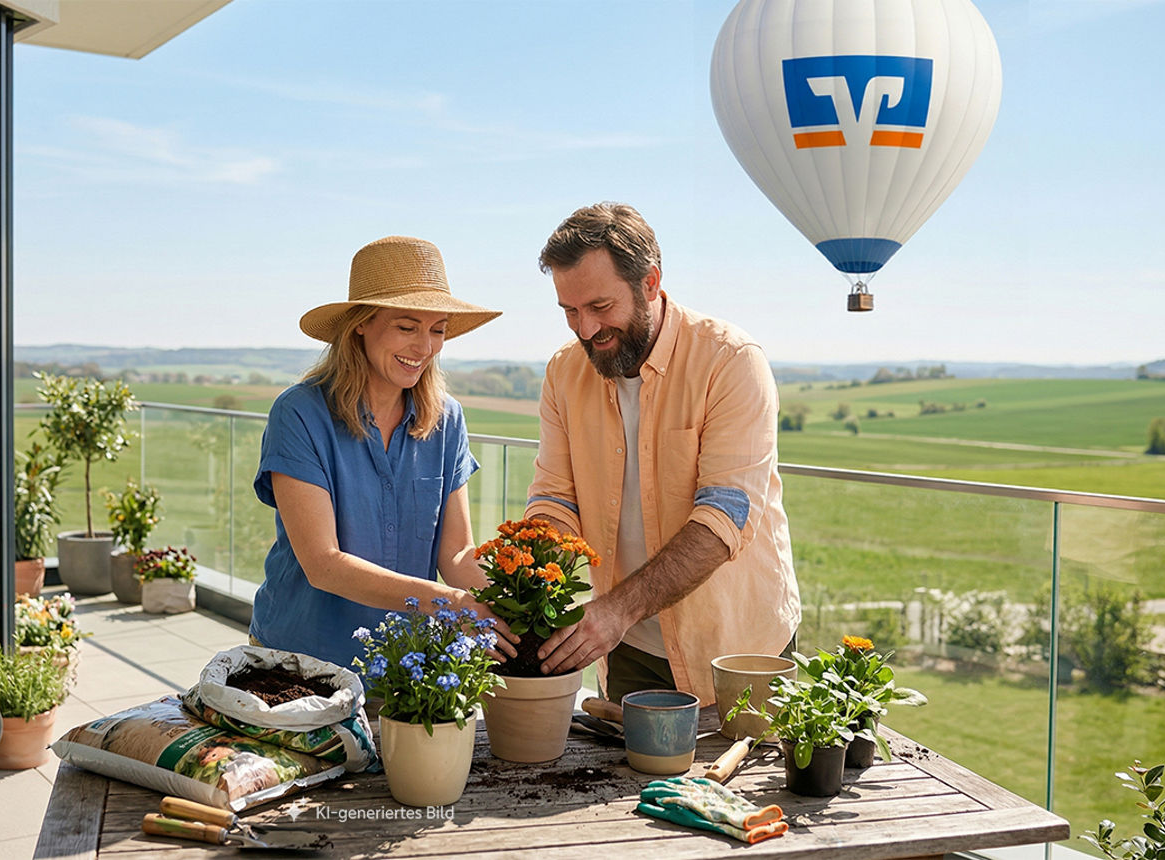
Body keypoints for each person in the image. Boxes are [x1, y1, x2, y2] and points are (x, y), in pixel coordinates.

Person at [526, 202, 800, 705]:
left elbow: (724, 518)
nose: (585, 329)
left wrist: (614, 610)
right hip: (626, 649)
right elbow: (555, 499)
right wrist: (533, 577)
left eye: (600, 307)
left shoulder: (731, 362)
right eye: (570, 311)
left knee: (741, 783)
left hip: (738, 650)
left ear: (650, 282)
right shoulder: (563, 373)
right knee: (630, 784)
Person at [250, 235, 511, 671]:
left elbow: (456, 553)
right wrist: (449, 602)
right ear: (361, 324)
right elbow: (323, 565)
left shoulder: (447, 420)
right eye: (406, 327)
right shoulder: (299, 414)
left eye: (438, 330)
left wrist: (517, 608)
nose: (424, 347)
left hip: (403, 668)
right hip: (299, 663)